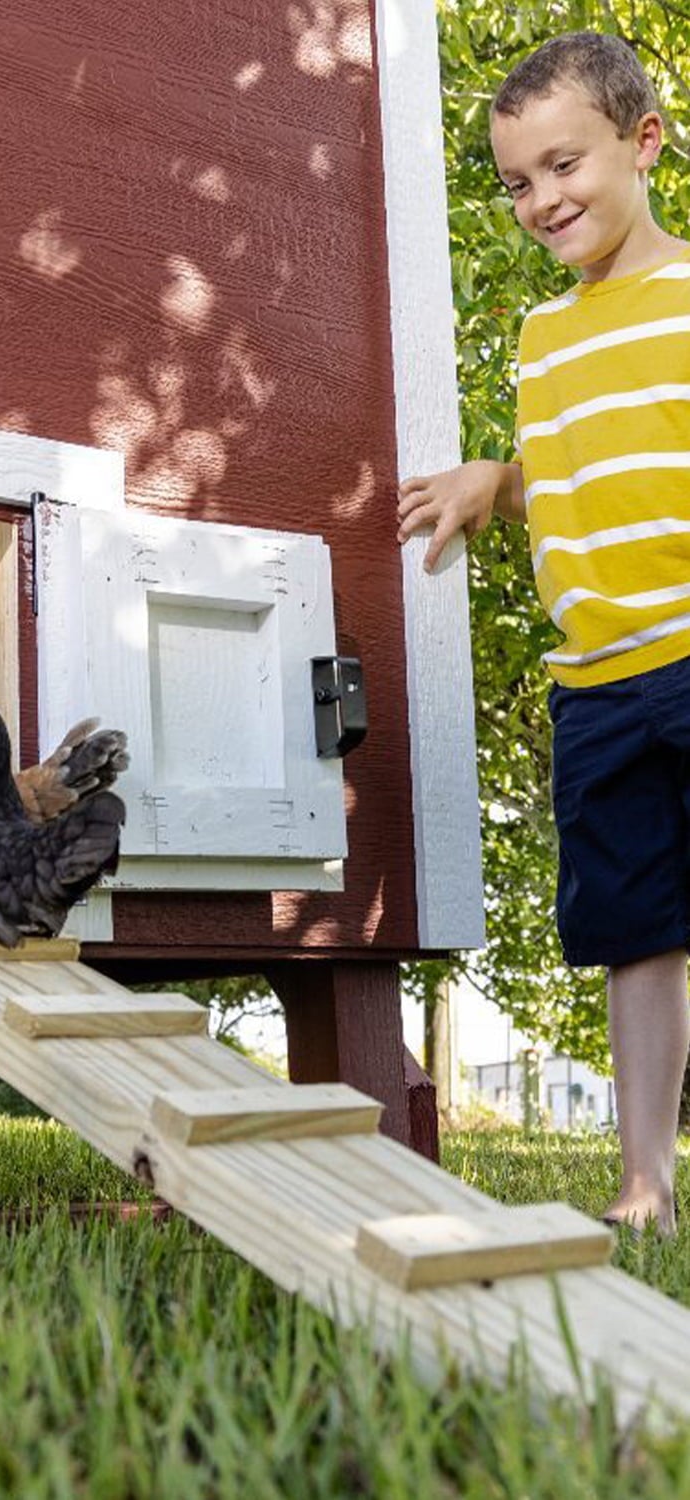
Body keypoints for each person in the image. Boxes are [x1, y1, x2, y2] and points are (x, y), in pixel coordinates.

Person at [397, 31, 690, 1235]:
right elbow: (582, 471)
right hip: (597, 684)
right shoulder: (542, 339)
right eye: (518, 182)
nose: (541, 201)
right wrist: (496, 480)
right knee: (637, 934)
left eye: (564, 165)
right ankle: (645, 1187)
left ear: (644, 141)